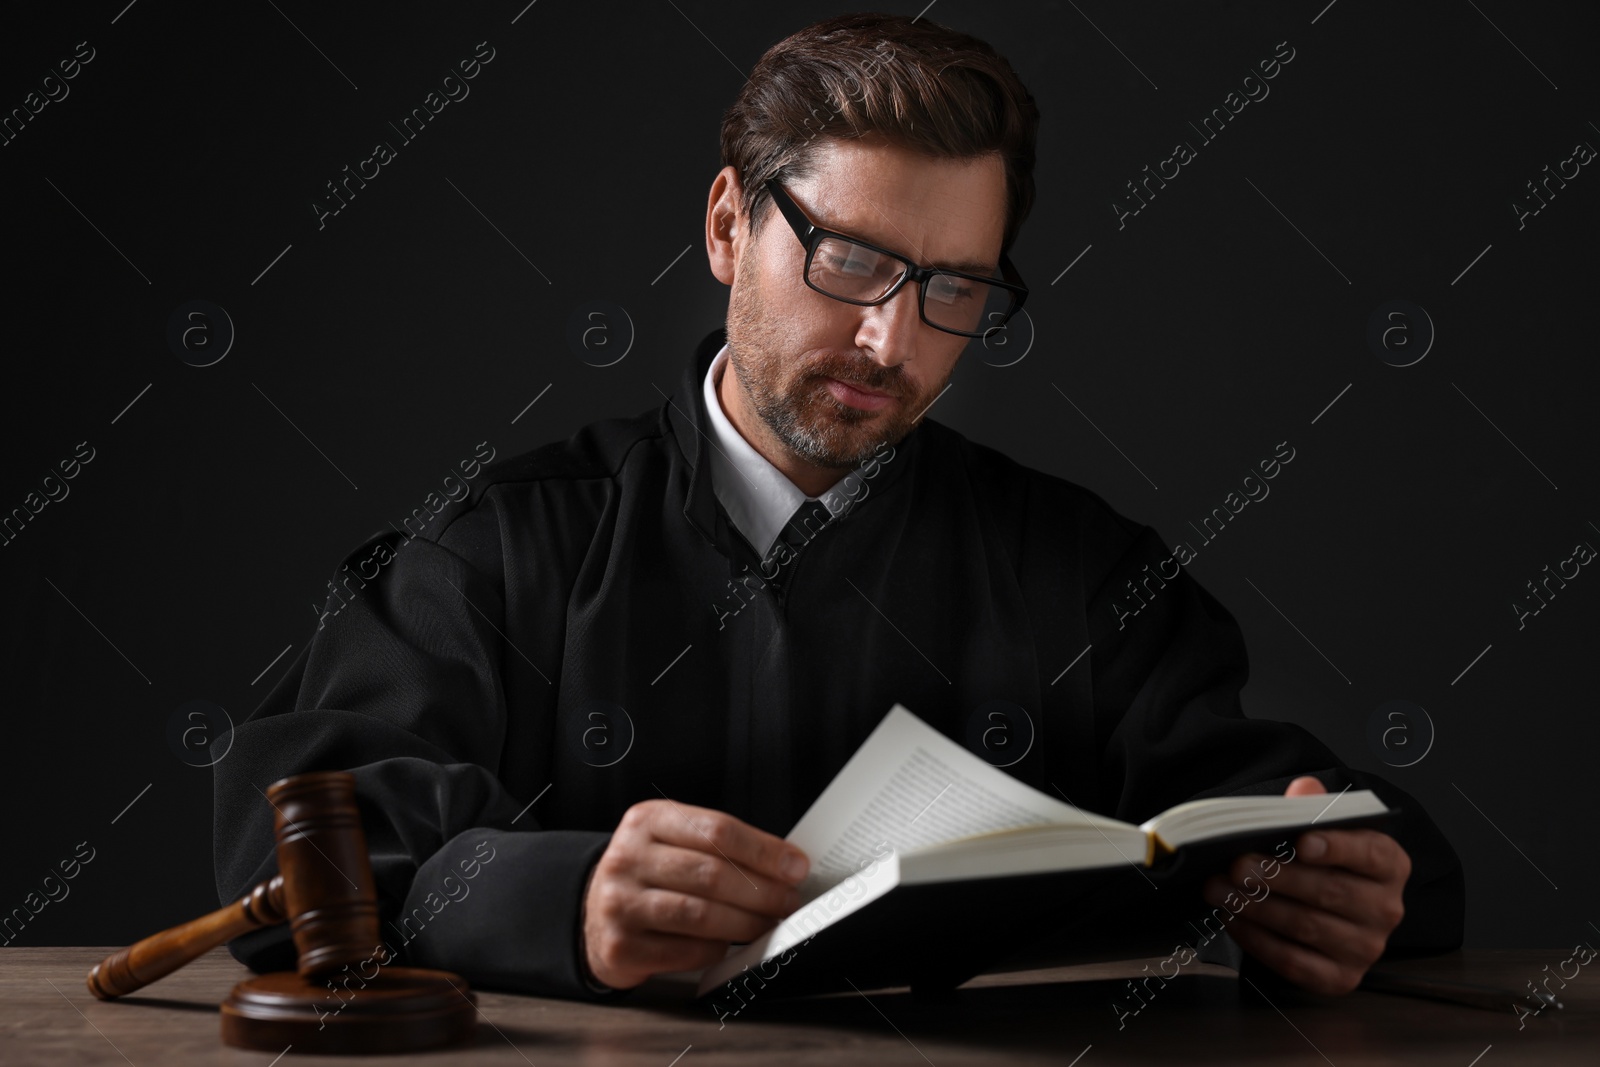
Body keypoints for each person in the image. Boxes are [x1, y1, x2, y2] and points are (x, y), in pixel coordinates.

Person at [214, 12, 1462, 1002]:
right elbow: (288, 858)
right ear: (725, 225)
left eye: (954, 290)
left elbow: (1286, 809)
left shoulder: (1078, 571)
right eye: (850, 259)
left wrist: (1353, 887)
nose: (889, 336)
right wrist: (565, 897)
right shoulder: (495, 549)